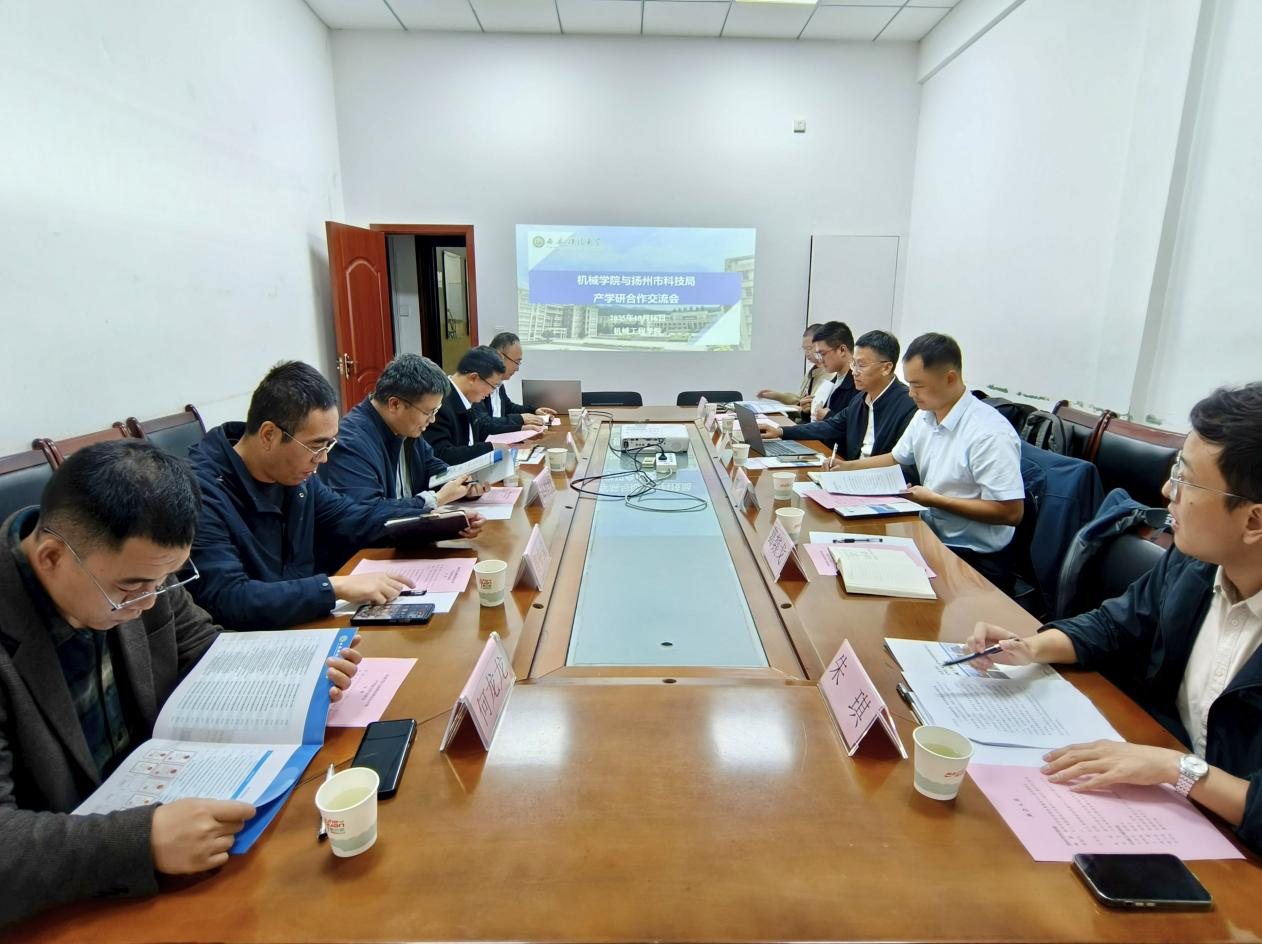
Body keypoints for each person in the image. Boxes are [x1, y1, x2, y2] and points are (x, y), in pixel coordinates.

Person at [0, 440, 364, 925]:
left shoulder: (139, 571)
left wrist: (299, 678)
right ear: (50, 558)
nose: (151, 602)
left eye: (166, 580)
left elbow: (208, 651)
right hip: (68, 898)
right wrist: (141, 840)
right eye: (132, 588)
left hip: (168, 814)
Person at [965, 383, 1262, 853]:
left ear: (1254, 521)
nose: (1167, 492)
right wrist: (1032, 646)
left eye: (1186, 480)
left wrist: (1177, 769)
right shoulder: (1195, 563)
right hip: (1172, 808)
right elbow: (1115, 624)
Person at [188, 361, 483, 631]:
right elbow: (227, 598)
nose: (324, 459)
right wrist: (333, 587)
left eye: (328, 445)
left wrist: (438, 522)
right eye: (317, 446)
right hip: (252, 642)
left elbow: (353, 518)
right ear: (268, 435)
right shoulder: (202, 492)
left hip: (305, 621)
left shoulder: (296, 478)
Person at [823, 332, 1024, 591]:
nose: (910, 394)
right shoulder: (926, 415)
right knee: (846, 569)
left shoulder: (988, 433)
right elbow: (896, 457)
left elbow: (1011, 512)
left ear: (950, 378)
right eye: (909, 384)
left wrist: (934, 500)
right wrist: (846, 467)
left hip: (973, 557)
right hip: (929, 535)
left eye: (918, 385)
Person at [318, 353, 486, 512]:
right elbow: (366, 512)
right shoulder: (351, 443)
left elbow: (431, 468)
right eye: (428, 412)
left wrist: (461, 484)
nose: (432, 419)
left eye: (436, 411)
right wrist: (435, 499)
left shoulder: (406, 428)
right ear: (395, 404)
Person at [762, 330, 916, 459]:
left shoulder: (908, 404)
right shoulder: (861, 399)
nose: (854, 372)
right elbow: (830, 425)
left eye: (861, 365)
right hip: (851, 474)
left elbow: (902, 462)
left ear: (886, 368)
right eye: (854, 364)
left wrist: (848, 468)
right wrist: (781, 431)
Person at [423, 346, 506, 465]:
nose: (491, 392)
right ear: (473, 378)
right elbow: (441, 455)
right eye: (492, 386)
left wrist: (519, 428)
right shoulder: (439, 404)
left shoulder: (469, 399)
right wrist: (489, 448)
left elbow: (482, 429)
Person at [473, 332, 554, 435]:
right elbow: (483, 424)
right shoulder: (479, 383)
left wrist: (534, 411)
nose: (517, 368)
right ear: (500, 356)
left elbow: (508, 408)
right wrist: (520, 419)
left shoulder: (498, 383)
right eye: (516, 362)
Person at [757, 324, 824, 415]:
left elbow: (813, 408)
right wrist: (777, 396)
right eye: (804, 349)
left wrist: (798, 409)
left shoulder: (830, 374)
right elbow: (800, 400)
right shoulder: (813, 371)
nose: (806, 353)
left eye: (809, 348)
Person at [807, 321, 860, 421]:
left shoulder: (858, 385)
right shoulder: (833, 381)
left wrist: (829, 416)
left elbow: (856, 423)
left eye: (822, 354)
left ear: (842, 350)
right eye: (818, 355)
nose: (820, 360)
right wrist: (808, 411)